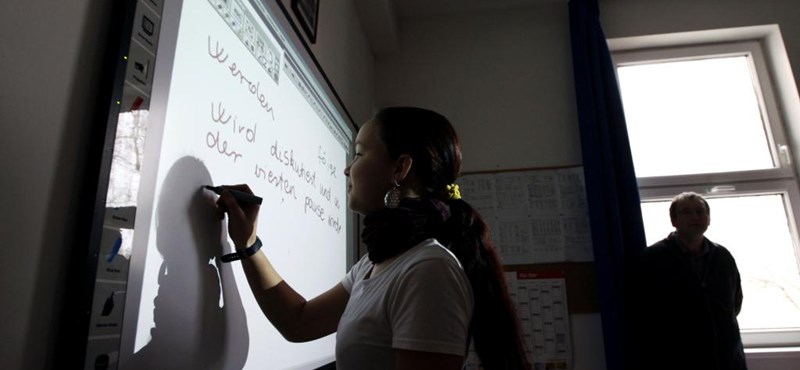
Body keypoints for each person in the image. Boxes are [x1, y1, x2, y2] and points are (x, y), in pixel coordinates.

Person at [214, 107, 530, 369]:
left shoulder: (429, 269)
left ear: (400, 168)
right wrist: (248, 244)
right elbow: (298, 321)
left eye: (360, 153)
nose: (347, 169)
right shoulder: (374, 264)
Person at [633, 192, 747, 370]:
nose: (695, 217)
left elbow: (735, 302)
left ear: (708, 219)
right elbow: (642, 310)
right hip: (677, 357)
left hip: (726, 356)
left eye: (700, 211)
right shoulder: (653, 258)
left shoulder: (722, 256)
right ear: (674, 221)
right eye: (686, 212)